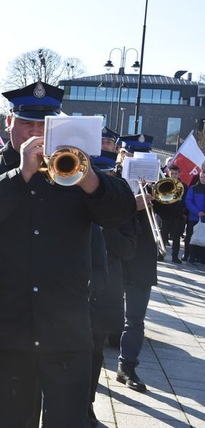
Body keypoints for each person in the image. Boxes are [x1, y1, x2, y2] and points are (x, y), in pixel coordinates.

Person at [0, 82, 136, 427]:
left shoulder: (76, 169)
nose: (35, 134)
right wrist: (20, 174)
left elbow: (121, 211)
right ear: (10, 123)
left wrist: (89, 180)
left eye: (44, 126)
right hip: (7, 328)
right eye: (26, 124)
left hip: (65, 332)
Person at [87, 151, 137, 426]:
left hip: (107, 291)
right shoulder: (79, 200)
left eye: (108, 176)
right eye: (100, 175)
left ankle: (88, 405)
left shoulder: (120, 207)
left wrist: (104, 226)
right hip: (78, 289)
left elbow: (129, 249)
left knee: (95, 354)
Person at [114, 133, 159, 394]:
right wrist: (132, 205)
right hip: (115, 254)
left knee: (135, 319)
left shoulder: (155, 182)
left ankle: (127, 365)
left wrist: (159, 196)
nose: (134, 159)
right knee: (97, 312)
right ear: (122, 154)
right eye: (130, 154)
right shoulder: (108, 179)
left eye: (142, 156)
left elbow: (173, 211)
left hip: (142, 258)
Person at [154, 164, 186, 264]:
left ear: (179, 174)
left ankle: (175, 256)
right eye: (172, 173)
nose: (173, 175)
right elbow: (159, 198)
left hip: (177, 215)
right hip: (165, 214)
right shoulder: (164, 183)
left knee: (176, 237)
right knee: (163, 235)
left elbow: (185, 201)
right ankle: (161, 255)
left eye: (176, 173)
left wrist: (183, 209)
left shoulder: (184, 186)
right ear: (168, 173)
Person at [184, 168, 205, 264]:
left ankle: (201, 258)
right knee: (191, 238)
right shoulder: (193, 188)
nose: (203, 179)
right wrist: (197, 212)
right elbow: (188, 201)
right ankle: (190, 256)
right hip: (194, 217)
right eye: (201, 177)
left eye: (204, 177)